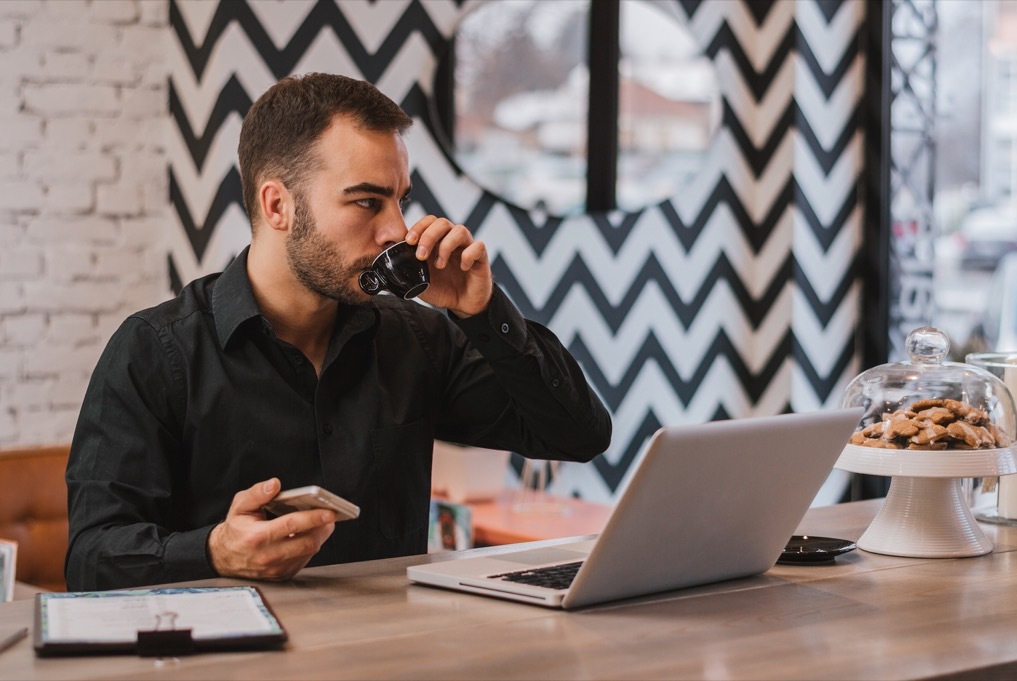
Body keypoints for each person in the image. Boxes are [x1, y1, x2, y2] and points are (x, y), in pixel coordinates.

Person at [64, 73, 612, 591]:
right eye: (368, 202)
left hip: (390, 654)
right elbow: (91, 560)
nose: (397, 230)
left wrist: (481, 310)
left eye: (402, 200)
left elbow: (578, 435)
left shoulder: (418, 339)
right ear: (277, 205)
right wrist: (213, 551)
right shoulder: (155, 352)